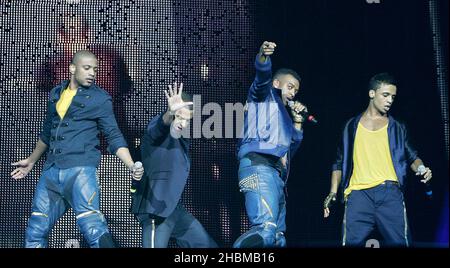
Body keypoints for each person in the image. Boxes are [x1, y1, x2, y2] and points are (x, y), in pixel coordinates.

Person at [11, 50, 143, 248]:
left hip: (80, 172)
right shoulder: (56, 93)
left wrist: (131, 165)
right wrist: (31, 161)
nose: (92, 73)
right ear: (72, 68)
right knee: (36, 229)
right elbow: (47, 133)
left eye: (95, 70)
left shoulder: (100, 98)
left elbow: (114, 136)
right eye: (87, 68)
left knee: (92, 227)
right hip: (51, 173)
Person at [323, 73, 433, 247]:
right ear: (372, 94)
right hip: (358, 195)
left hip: (389, 193)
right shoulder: (351, 126)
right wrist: (332, 192)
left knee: (401, 243)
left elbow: (412, 156)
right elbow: (338, 162)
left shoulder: (397, 127)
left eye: (393, 97)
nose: (390, 100)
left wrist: (422, 168)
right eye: (385, 95)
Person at [233, 41, 309, 248]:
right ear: (277, 84)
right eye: (290, 86)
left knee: (277, 238)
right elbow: (262, 77)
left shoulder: (284, 115)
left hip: (277, 177)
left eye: (296, 90)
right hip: (258, 167)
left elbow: (289, 149)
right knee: (265, 230)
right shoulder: (264, 96)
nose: (293, 93)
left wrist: (298, 122)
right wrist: (263, 57)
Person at [131, 82, 218, 248]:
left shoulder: (182, 139)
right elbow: (159, 128)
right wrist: (170, 114)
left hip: (175, 210)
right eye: (179, 117)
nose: (182, 123)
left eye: (187, 119)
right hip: (155, 209)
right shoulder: (157, 130)